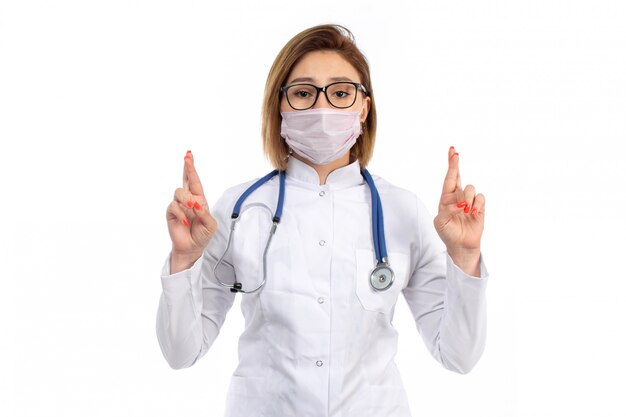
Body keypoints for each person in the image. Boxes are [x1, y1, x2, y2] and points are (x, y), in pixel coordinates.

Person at [156, 24, 489, 417]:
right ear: (279, 105)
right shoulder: (240, 209)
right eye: (302, 93)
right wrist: (184, 259)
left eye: (341, 92)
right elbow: (181, 352)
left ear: (363, 107)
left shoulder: (403, 211)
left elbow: (458, 355)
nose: (322, 108)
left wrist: (465, 257)